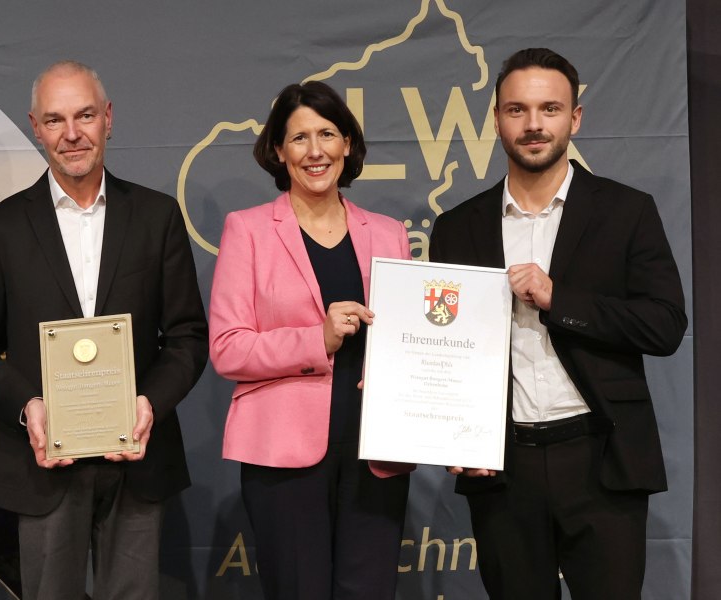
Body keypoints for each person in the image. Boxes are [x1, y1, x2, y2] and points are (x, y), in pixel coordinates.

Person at [431, 48, 687, 599]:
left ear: (575, 118)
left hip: (602, 458)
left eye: (549, 109)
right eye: (517, 110)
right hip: (502, 467)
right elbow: (445, 347)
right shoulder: (456, 227)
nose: (533, 125)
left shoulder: (626, 210)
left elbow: (665, 325)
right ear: (496, 119)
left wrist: (558, 297)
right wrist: (450, 429)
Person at [0, 61, 207, 599]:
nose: (72, 134)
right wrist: (29, 407)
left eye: (85, 115)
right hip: (42, 462)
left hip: (137, 458)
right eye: (55, 119)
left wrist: (149, 404)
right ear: (35, 126)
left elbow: (186, 336)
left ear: (108, 118)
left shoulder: (157, 217)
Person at [207, 81, 413, 599]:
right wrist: (315, 338)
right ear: (278, 151)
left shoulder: (388, 233)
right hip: (284, 457)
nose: (315, 151)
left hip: (376, 451)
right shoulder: (248, 230)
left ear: (347, 143)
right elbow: (228, 347)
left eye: (327, 134)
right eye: (299, 138)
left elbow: (409, 341)